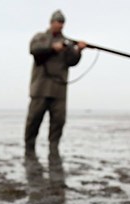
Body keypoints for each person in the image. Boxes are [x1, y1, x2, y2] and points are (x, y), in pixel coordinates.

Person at [24, 10, 86, 158]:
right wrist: (53, 48)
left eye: (62, 22)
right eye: (58, 22)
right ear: (51, 22)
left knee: (59, 121)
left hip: (59, 90)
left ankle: (54, 148)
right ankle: (29, 147)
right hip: (40, 88)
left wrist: (79, 51)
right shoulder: (40, 38)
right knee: (34, 119)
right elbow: (34, 50)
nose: (60, 25)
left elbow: (72, 61)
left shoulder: (68, 42)